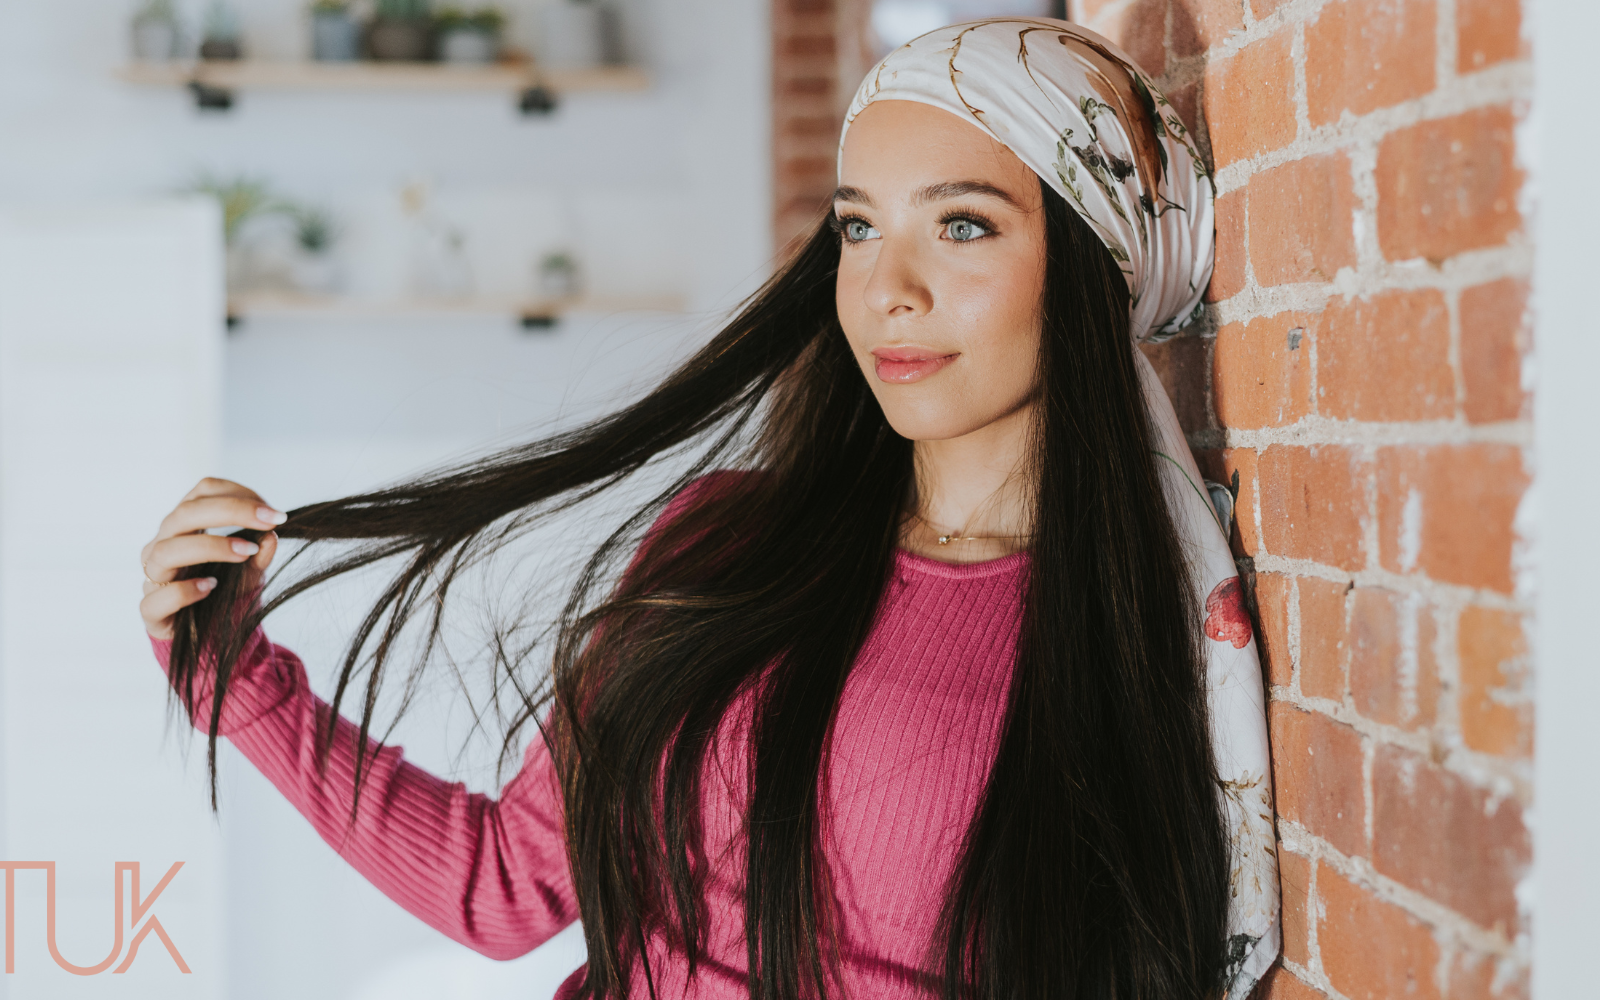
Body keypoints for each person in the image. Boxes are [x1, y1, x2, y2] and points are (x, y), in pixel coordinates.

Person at [137, 17, 1278, 1000]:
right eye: (860, 226)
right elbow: (498, 886)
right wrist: (233, 673)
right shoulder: (723, 540)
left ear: (1087, 262)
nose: (889, 289)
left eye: (964, 224)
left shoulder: (1128, 643)